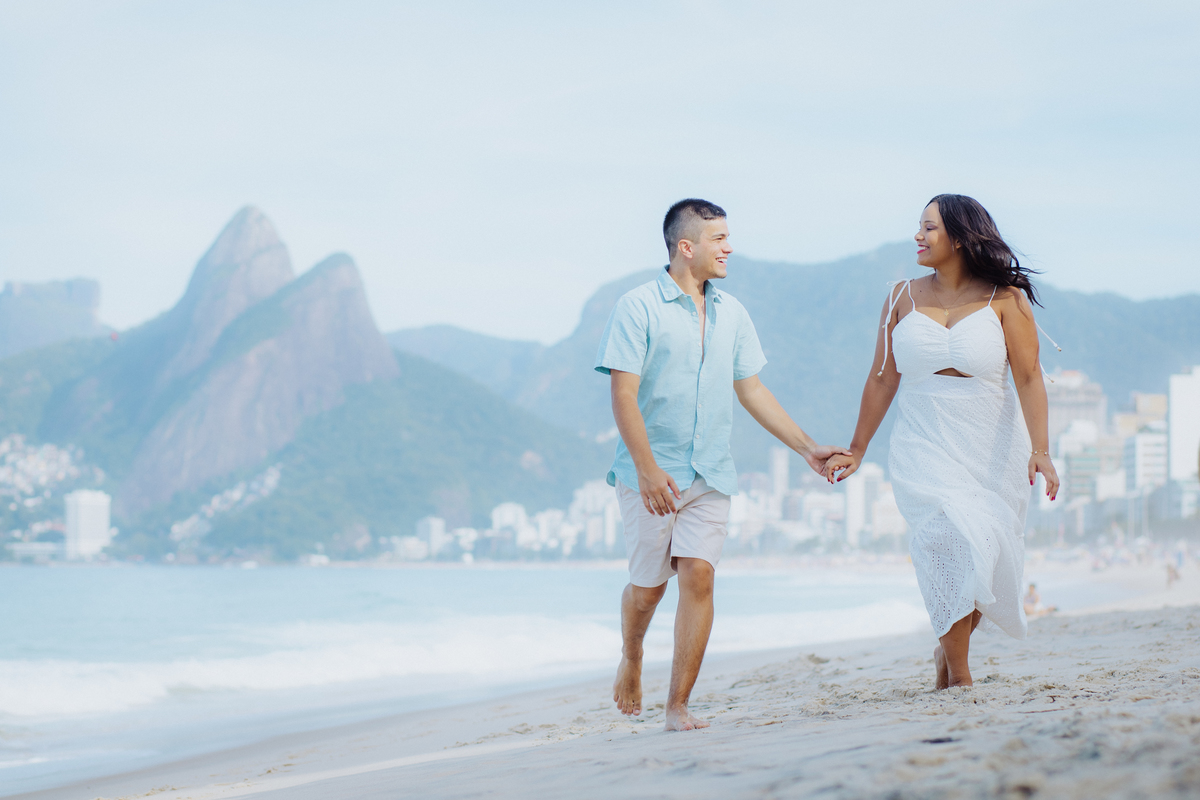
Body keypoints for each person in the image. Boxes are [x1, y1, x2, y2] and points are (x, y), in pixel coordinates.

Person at [595, 199, 847, 730]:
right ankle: (633, 655)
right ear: (687, 247)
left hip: (710, 472)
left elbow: (751, 389)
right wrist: (644, 469)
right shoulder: (637, 306)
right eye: (718, 239)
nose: (729, 247)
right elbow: (623, 394)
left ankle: (677, 705)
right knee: (647, 591)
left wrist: (807, 447)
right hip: (650, 473)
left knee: (700, 577)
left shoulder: (733, 312)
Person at [824, 194, 1060, 690]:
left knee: (983, 551)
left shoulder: (1006, 298)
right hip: (923, 440)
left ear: (959, 236)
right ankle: (961, 675)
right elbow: (882, 378)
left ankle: (946, 652)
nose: (917, 236)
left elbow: (1030, 378)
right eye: (919, 226)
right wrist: (859, 448)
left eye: (928, 227)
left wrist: (1041, 450)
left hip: (992, 444)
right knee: (945, 541)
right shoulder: (901, 296)